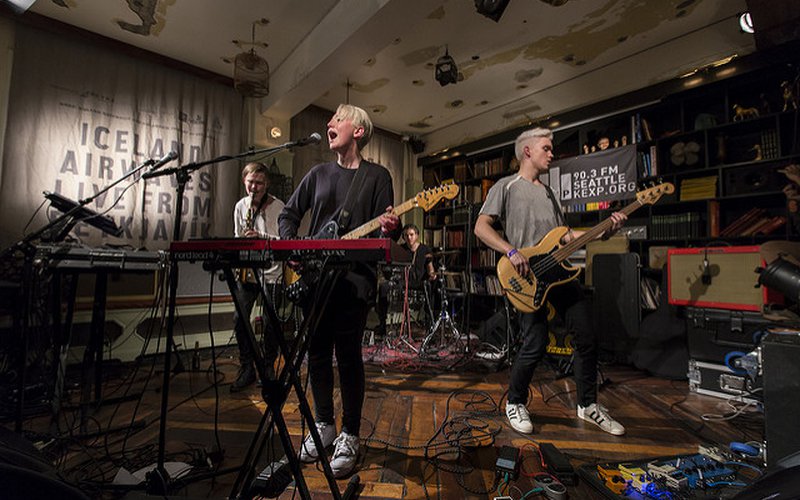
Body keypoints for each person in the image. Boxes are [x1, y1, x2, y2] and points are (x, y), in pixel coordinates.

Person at [473, 127, 628, 436]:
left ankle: (587, 405)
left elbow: (565, 236)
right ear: (527, 151)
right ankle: (515, 402)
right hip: (527, 277)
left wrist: (604, 231)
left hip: (559, 271)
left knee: (586, 336)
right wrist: (511, 250)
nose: (551, 153)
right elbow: (481, 227)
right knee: (535, 341)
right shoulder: (506, 186)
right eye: (546, 148)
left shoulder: (550, 193)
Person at [278, 104, 400, 478]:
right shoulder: (317, 174)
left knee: (348, 356)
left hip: (354, 280)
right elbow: (288, 215)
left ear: (358, 130)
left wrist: (390, 228)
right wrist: (292, 248)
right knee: (316, 354)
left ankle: (350, 434)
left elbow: (388, 232)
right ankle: (324, 424)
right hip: (315, 280)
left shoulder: (377, 176)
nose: (329, 123)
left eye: (338, 119)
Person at [230, 162, 284, 392]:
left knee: (271, 322)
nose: (254, 187)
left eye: (259, 183)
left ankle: (268, 366)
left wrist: (260, 236)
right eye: (250, 182)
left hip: (272, 273)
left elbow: (283, 241)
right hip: (248, 271)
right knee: (239, 319)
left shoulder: (278, 207)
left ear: (267, 184)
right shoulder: (240, 206)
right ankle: (247, 366)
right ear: (244, 181)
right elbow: (237, 236)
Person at [375, 223, 436, 336]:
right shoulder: (400, 249)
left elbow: (430, 269)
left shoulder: (425, 249)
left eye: (411, 235)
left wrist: (432, 275)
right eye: (406, 235)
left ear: (417, 235)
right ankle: (382, 324)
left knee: (430, 286)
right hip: (402, 282)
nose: (409, 238)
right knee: (383, 287)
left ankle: (429, 324)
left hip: (419, 282)